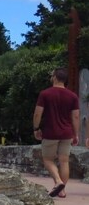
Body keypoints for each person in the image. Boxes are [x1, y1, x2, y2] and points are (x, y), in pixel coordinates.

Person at [33, 67, 80, 198]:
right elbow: (75, 116)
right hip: (66, 133)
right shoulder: (73, 96)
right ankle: (62, 190)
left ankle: (58, 182)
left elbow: (38, 113)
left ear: (54, 77)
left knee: (48, 159)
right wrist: (75, 134)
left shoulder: (45, 94)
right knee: (64, 161)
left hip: (50, 132)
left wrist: (36, 128)